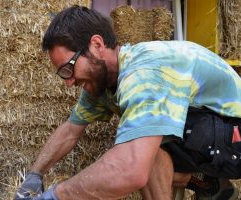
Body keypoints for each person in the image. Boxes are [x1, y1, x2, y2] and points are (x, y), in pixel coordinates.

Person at [14, 5, 241, 200]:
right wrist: (35, 175)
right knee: (143, 139)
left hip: (235, 133)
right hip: (212, 134)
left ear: (96, 45)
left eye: (68, 68)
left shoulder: (144, 74)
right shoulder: (102, 82)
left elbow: (131, 170)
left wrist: (56, 195)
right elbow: (71, 130)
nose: (69, 81)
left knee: (140, 145)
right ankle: (208, 183)